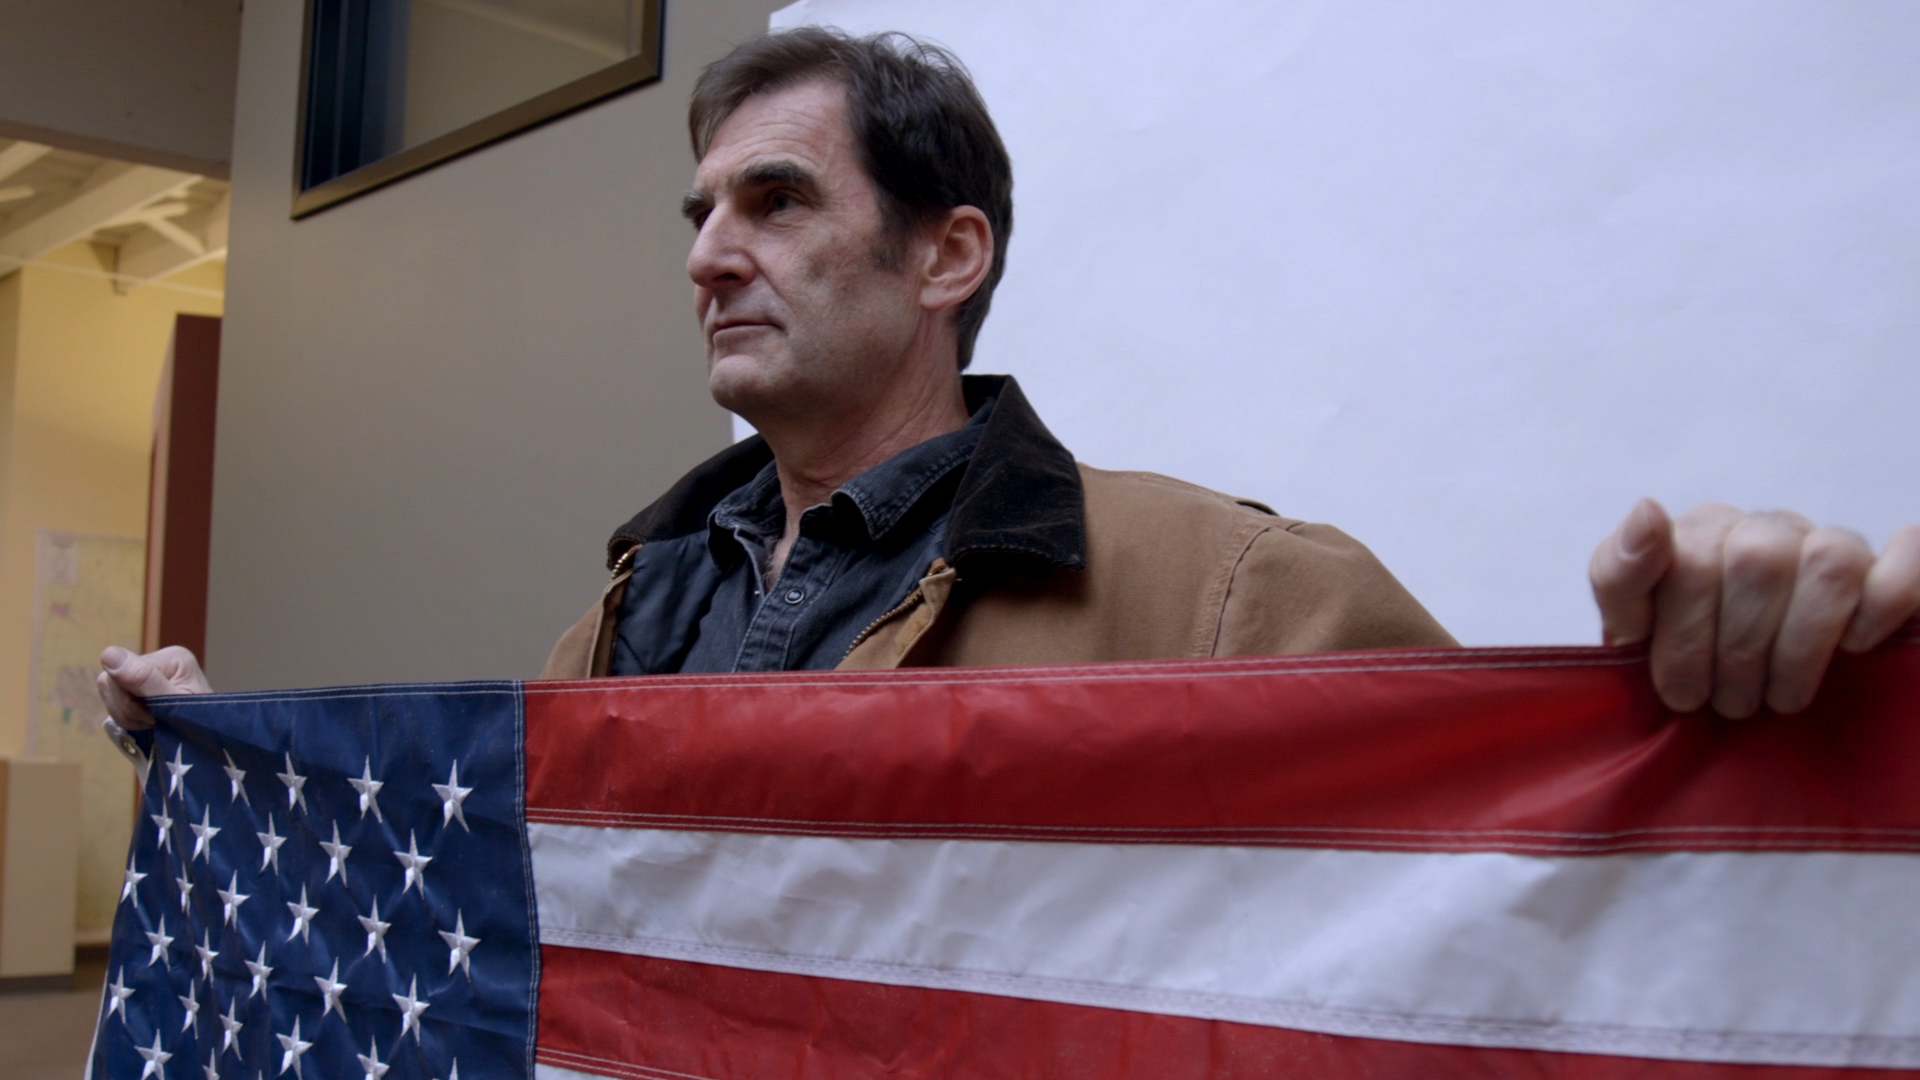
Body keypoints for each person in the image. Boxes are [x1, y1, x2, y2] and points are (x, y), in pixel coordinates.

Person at [99, 28, 1920, 732]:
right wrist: (229, 745)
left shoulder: (1227, 594)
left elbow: (1513, 867)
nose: (705, 252)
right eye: (700, 208)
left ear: (944, 254)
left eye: (777, 199)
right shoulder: (627, 613)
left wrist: (1759, 680)